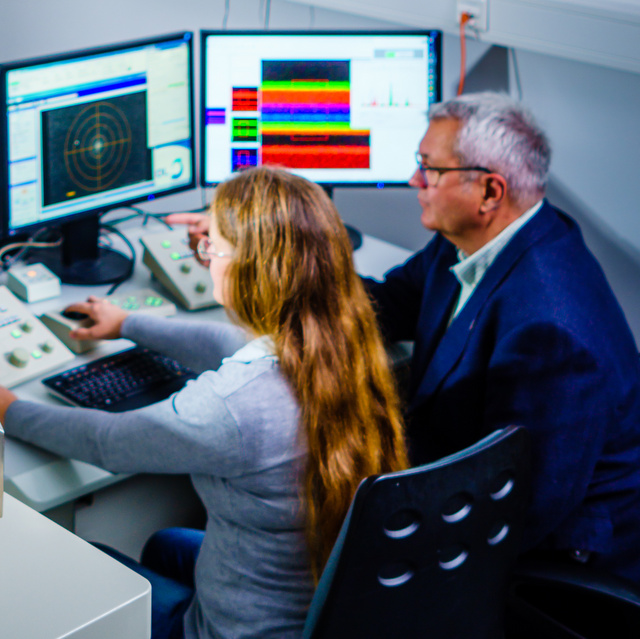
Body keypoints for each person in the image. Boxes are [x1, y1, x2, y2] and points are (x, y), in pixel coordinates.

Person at [0, 166, 408, 639]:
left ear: (249, 267)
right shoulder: (345, 343)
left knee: (90, 560)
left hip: (238, 631)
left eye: (212, 245)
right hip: (317, 605)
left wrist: (9, 407)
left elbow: (105, 441)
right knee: (166, 545)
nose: (204, 255)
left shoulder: (229, 406)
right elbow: (231, 344)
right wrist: (129, 323)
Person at [365, 91, 640, 583]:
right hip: (485, 495)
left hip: (558, 554)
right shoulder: (475, 239)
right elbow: (394, 304)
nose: (414, 181)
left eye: (429, 168)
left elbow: (518, 506)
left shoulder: (550, 329)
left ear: (490, 192)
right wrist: (269, 264)